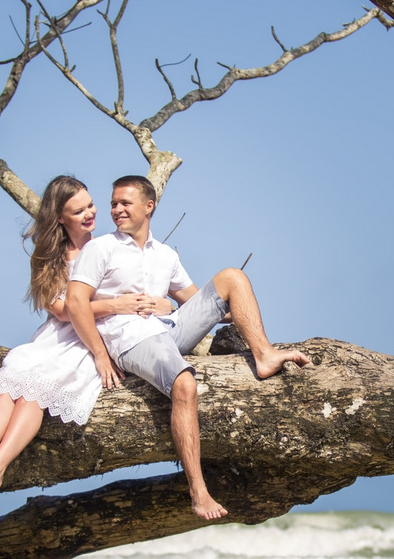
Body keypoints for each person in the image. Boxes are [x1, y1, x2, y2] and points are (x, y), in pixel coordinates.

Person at [66, 175, 309, 520]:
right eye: (113, 203)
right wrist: (100, 354)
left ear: (148, 206)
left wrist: (184, 306)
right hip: (131, 338)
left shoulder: (165, 255)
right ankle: (198, 491)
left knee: (232, 277)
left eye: (125, 203)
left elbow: (199, 304)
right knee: (184, 383)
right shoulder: (100, 248)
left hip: (167, 329)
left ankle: (265, 355)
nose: (116, 209)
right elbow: (75, 303)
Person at [0, 176, 166, 491]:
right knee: (16, 371)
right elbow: (64, 311)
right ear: (61, 218)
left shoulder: (109, 246)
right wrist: (114, 303)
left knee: (37, 389)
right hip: (58, 336)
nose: (90, 214)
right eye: (78, 211)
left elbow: (143, 287)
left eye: (91, 205)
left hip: (89, 337)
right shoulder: (48, 258)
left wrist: (158, 303)